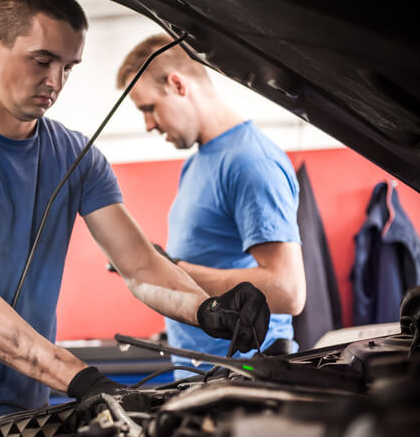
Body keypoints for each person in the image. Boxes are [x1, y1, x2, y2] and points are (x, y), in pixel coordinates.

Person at [0, 0, 271, 421]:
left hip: (25, 406)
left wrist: (206, 308)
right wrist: (81, 378)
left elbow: (140, 264)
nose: (55, 82)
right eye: (42, 60)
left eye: (68, 67)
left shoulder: (78, 157)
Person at [116, 34, 307, 376]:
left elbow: (289, 291)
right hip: (200, 376)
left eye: (148, 108)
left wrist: (171, 269)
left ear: (177, 85)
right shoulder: (198, 162)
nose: (148, 125)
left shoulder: (251, 162)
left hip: (243, 375)